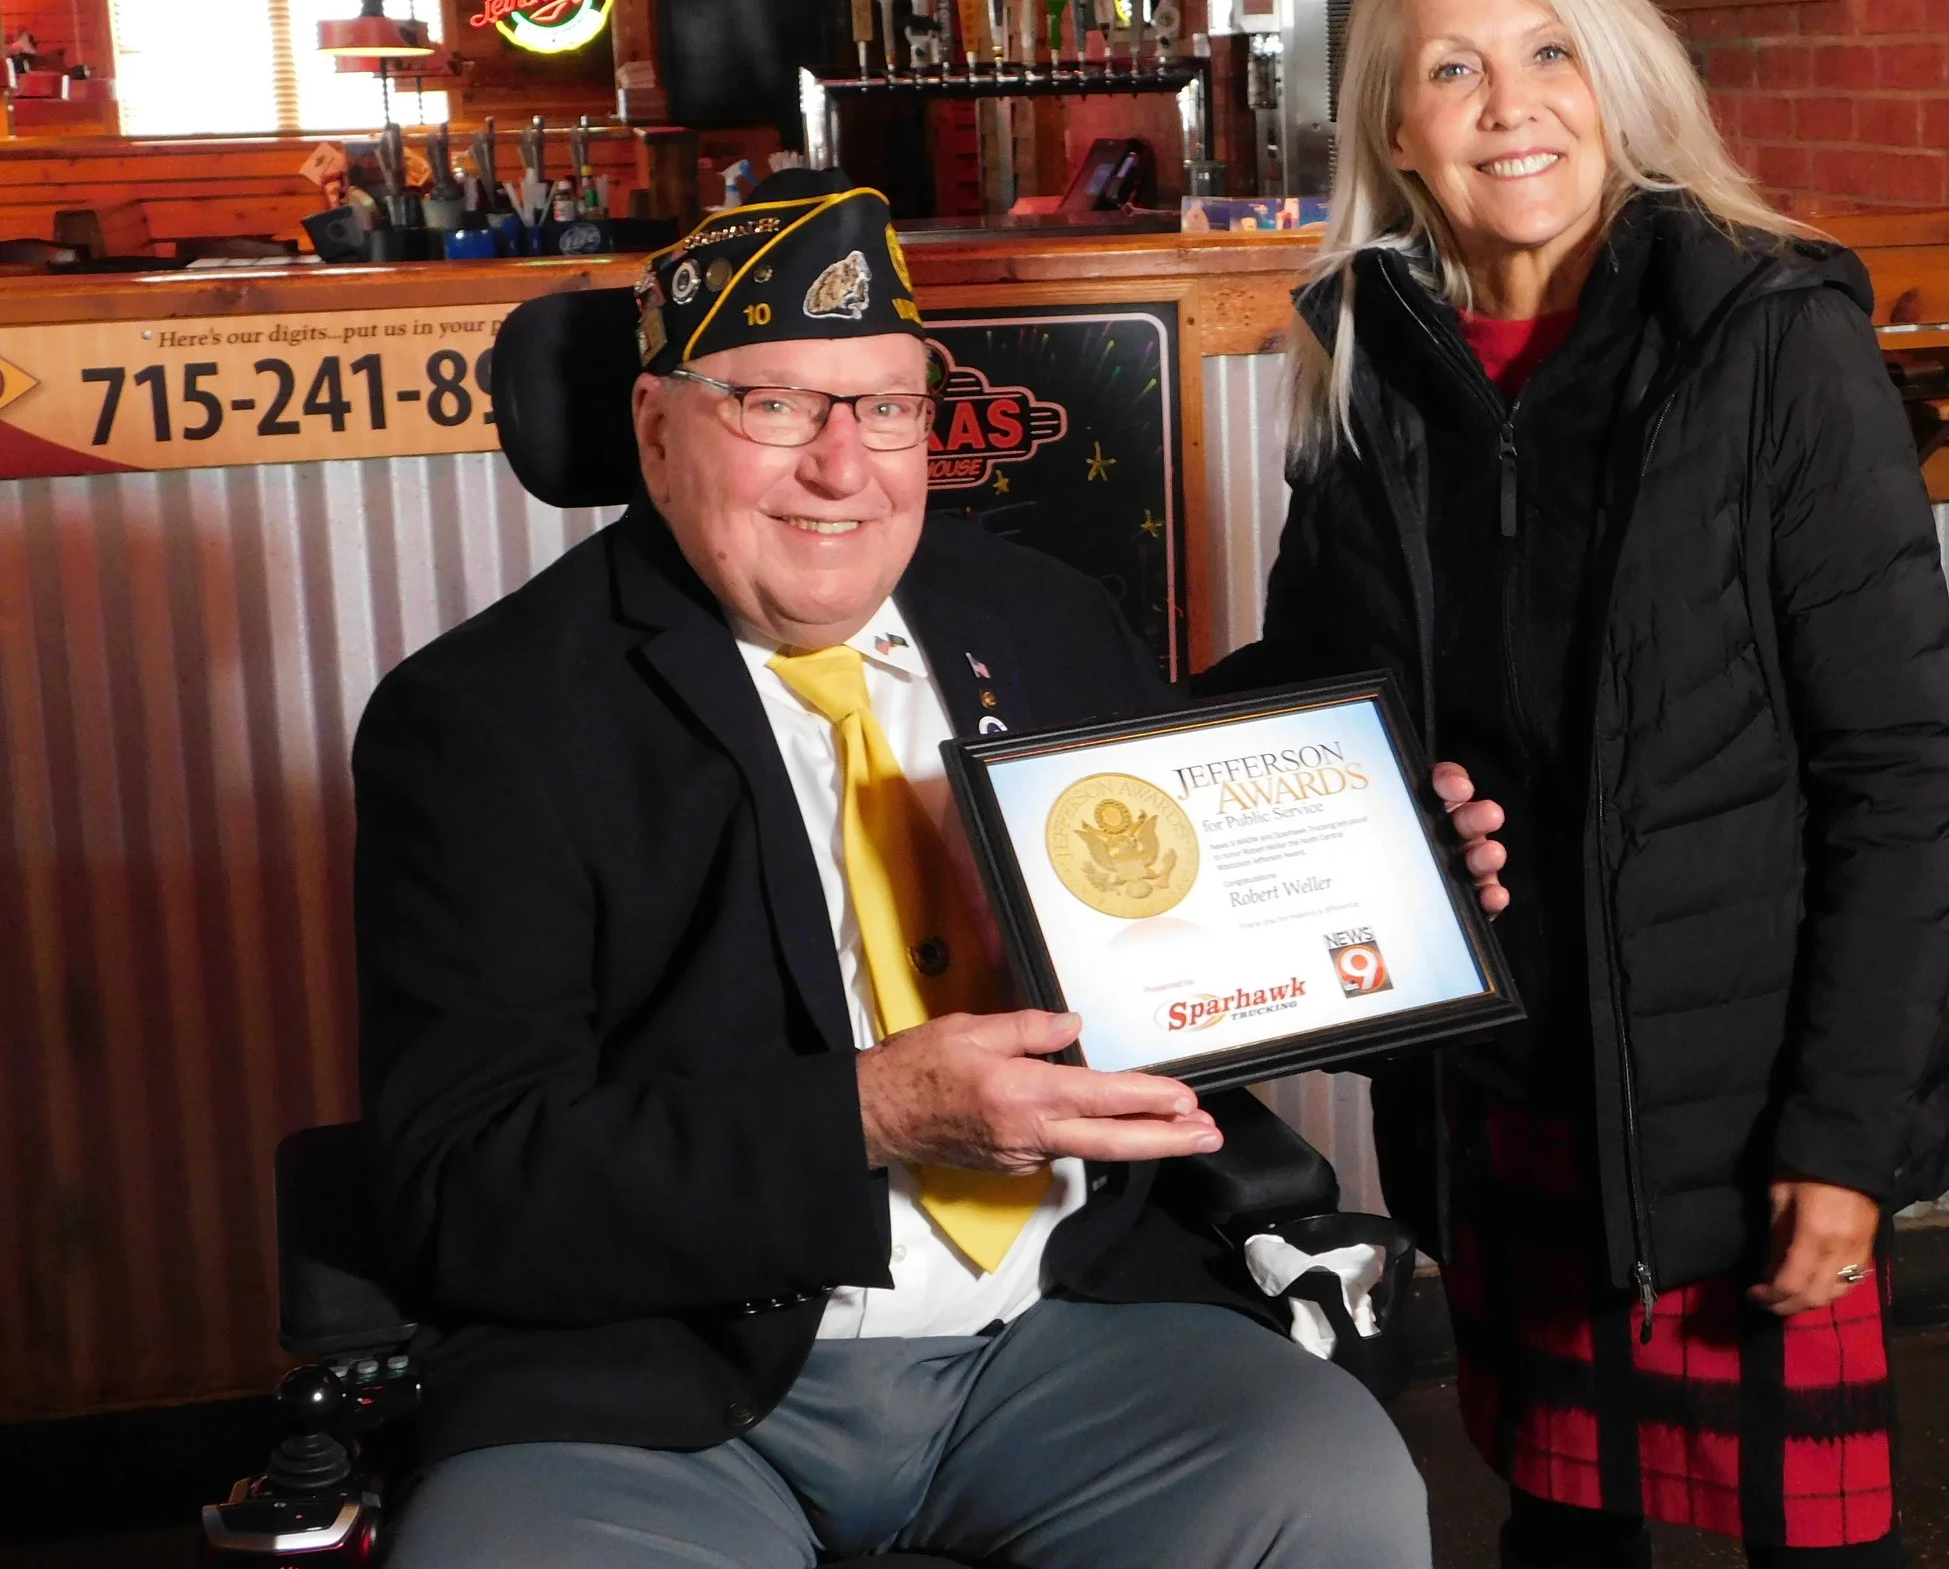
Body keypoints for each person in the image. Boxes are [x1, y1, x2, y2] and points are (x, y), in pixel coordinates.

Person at [354, 184, 1503, 1567]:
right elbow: (463, 1187)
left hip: (1066, 1321)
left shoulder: (1044, 619)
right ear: (655, 428)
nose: (844, 467)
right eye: (776, 404)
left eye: (887, 407)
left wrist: (1394, 889)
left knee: (1337, 1493)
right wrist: (875, 1112)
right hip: (652, 1380)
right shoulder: (487, 719)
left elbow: (1180, 944)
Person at [1200, 0, 1949, 1568]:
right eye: (1453, 71)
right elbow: (1320, 706)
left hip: (1744, 1098)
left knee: (1826, 1549)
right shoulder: (1367, 366)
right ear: (1394, 134)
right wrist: (1114, 774)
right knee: (1558, 1530)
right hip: (1506, 1094)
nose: (1512, 105)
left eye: (1550, 51)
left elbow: (1897, 772)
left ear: (1618, 79)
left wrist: (1843, 1134)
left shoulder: (1772, 334)